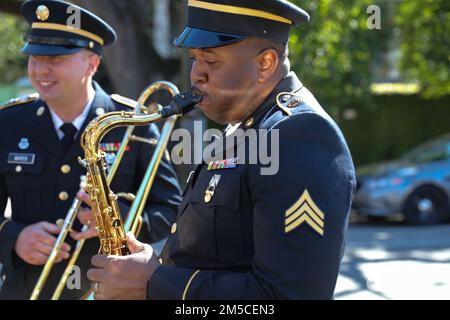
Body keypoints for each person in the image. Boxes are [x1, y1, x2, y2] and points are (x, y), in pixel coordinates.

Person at [86, 0, 356, 300]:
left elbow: (287, 297)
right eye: (194, 59)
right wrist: (156, 264)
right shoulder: (244, 126)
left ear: (265, 63)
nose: (195, 75)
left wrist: (156, 283)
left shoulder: (298, 136)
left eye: (211, 62)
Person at [0, 0, 182, 300]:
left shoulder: (131, 123)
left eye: (56, 58)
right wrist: (14, 237)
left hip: (108, 292)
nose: (41, 69)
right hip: (26, 290)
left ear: (92, 64)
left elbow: (171, 211)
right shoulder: (7, 123)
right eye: (34, 57)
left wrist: (120, 219)